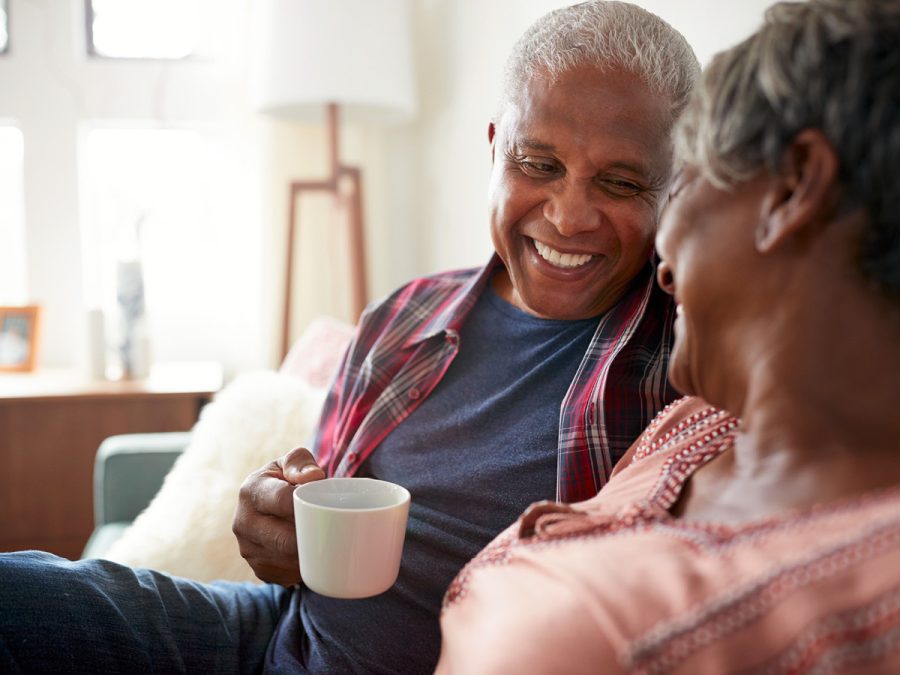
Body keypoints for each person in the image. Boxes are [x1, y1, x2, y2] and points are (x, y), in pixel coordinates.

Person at [0, 2, 699, 673]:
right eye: (538, 164)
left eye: (621, 181)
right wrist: (277, 524)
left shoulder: (688, 357)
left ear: (674, 190)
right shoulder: (405, 317)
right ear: (494, 147)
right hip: (276, 631)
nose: (570, 215)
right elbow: (312, 527)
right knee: (20, 590)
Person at [436, 0, 900, 672]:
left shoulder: (603, 633)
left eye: (684, 180)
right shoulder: (693, 427)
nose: (664, 252)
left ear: (793, 188)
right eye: (539, 164)